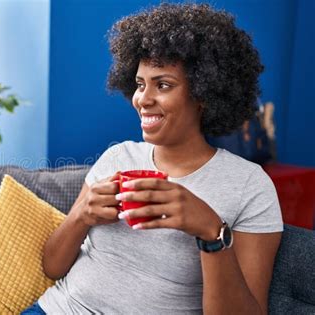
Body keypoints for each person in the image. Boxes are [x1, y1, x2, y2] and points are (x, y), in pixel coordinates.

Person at [22, 3, 283, 314]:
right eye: (140, 84)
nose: (143, 100)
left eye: (163, 85)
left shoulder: (250, 186)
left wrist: (211, 231)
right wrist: (81, 215)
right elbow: (52, 267)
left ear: (203, 94)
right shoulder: (118, 157)